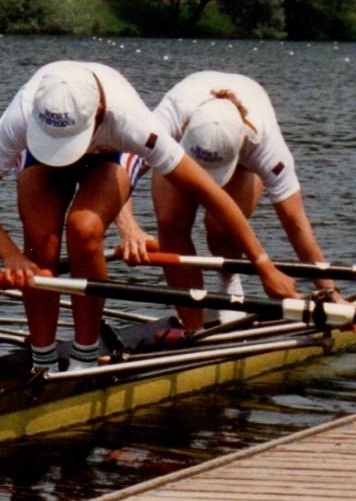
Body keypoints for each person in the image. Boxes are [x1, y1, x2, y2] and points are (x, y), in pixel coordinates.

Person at [0, 61, 299, 372]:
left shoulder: (133, 121)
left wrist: (263, 265)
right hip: (40, 153)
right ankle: (41, 359)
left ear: (100, 112)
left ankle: (85, 356)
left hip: (110, 157)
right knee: (40, 241)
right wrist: (10, 255)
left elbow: (213, 195)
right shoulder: (27, 110)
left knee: (84, 228)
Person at [116, 71, 343, 330]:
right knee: (171, 223)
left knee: (220, 225)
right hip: (179, 144)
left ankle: (229, 285)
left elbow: (296, 222)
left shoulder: (265, 145)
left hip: (241, 152)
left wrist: (331, 293)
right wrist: (128, 228)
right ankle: (194, 331)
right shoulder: (168, 120)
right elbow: (120, 171)